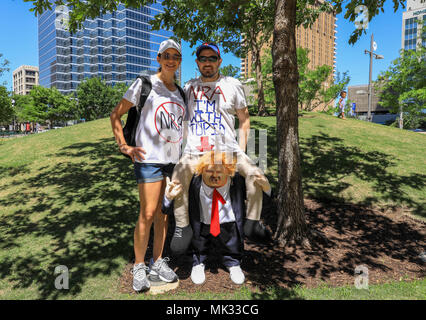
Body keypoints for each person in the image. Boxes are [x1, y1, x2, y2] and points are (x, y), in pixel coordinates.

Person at [169, 42, 271, 255]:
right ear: (197, 62)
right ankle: (182, 227)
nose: (207, 63)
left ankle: (252, 222)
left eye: (212, 58)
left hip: (228, 149)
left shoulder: (232, 84)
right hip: (197, 150)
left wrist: (242, 149)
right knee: (178, 175)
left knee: (254, 173)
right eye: (203, 59)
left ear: (219, 61)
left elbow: (244, 119)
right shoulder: (188, 87)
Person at [110, 39, 185, 292]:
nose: (171, 60)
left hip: (171, 162)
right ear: (159, 58)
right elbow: (115, 114)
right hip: (149, 160)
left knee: (164, 216)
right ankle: (139, 266)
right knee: (148, 212)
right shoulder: (144, 84)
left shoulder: (180, 92)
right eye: (167, 55)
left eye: (176, 56)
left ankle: (156, 262)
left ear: (179, 61)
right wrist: (123, 146)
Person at [164, 151, 248, 285]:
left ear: (228, 171)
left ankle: (233, 262)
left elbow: (254, 195)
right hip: (203, 221)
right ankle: (198, 262)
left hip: (228, 221)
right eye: (209, 171)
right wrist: (168, 199)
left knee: (231, 242)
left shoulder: (235, 181)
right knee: (199, 242)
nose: (215, 175)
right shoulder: (194, 183)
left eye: (219, 171)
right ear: (201, 170)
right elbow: (175, 203)